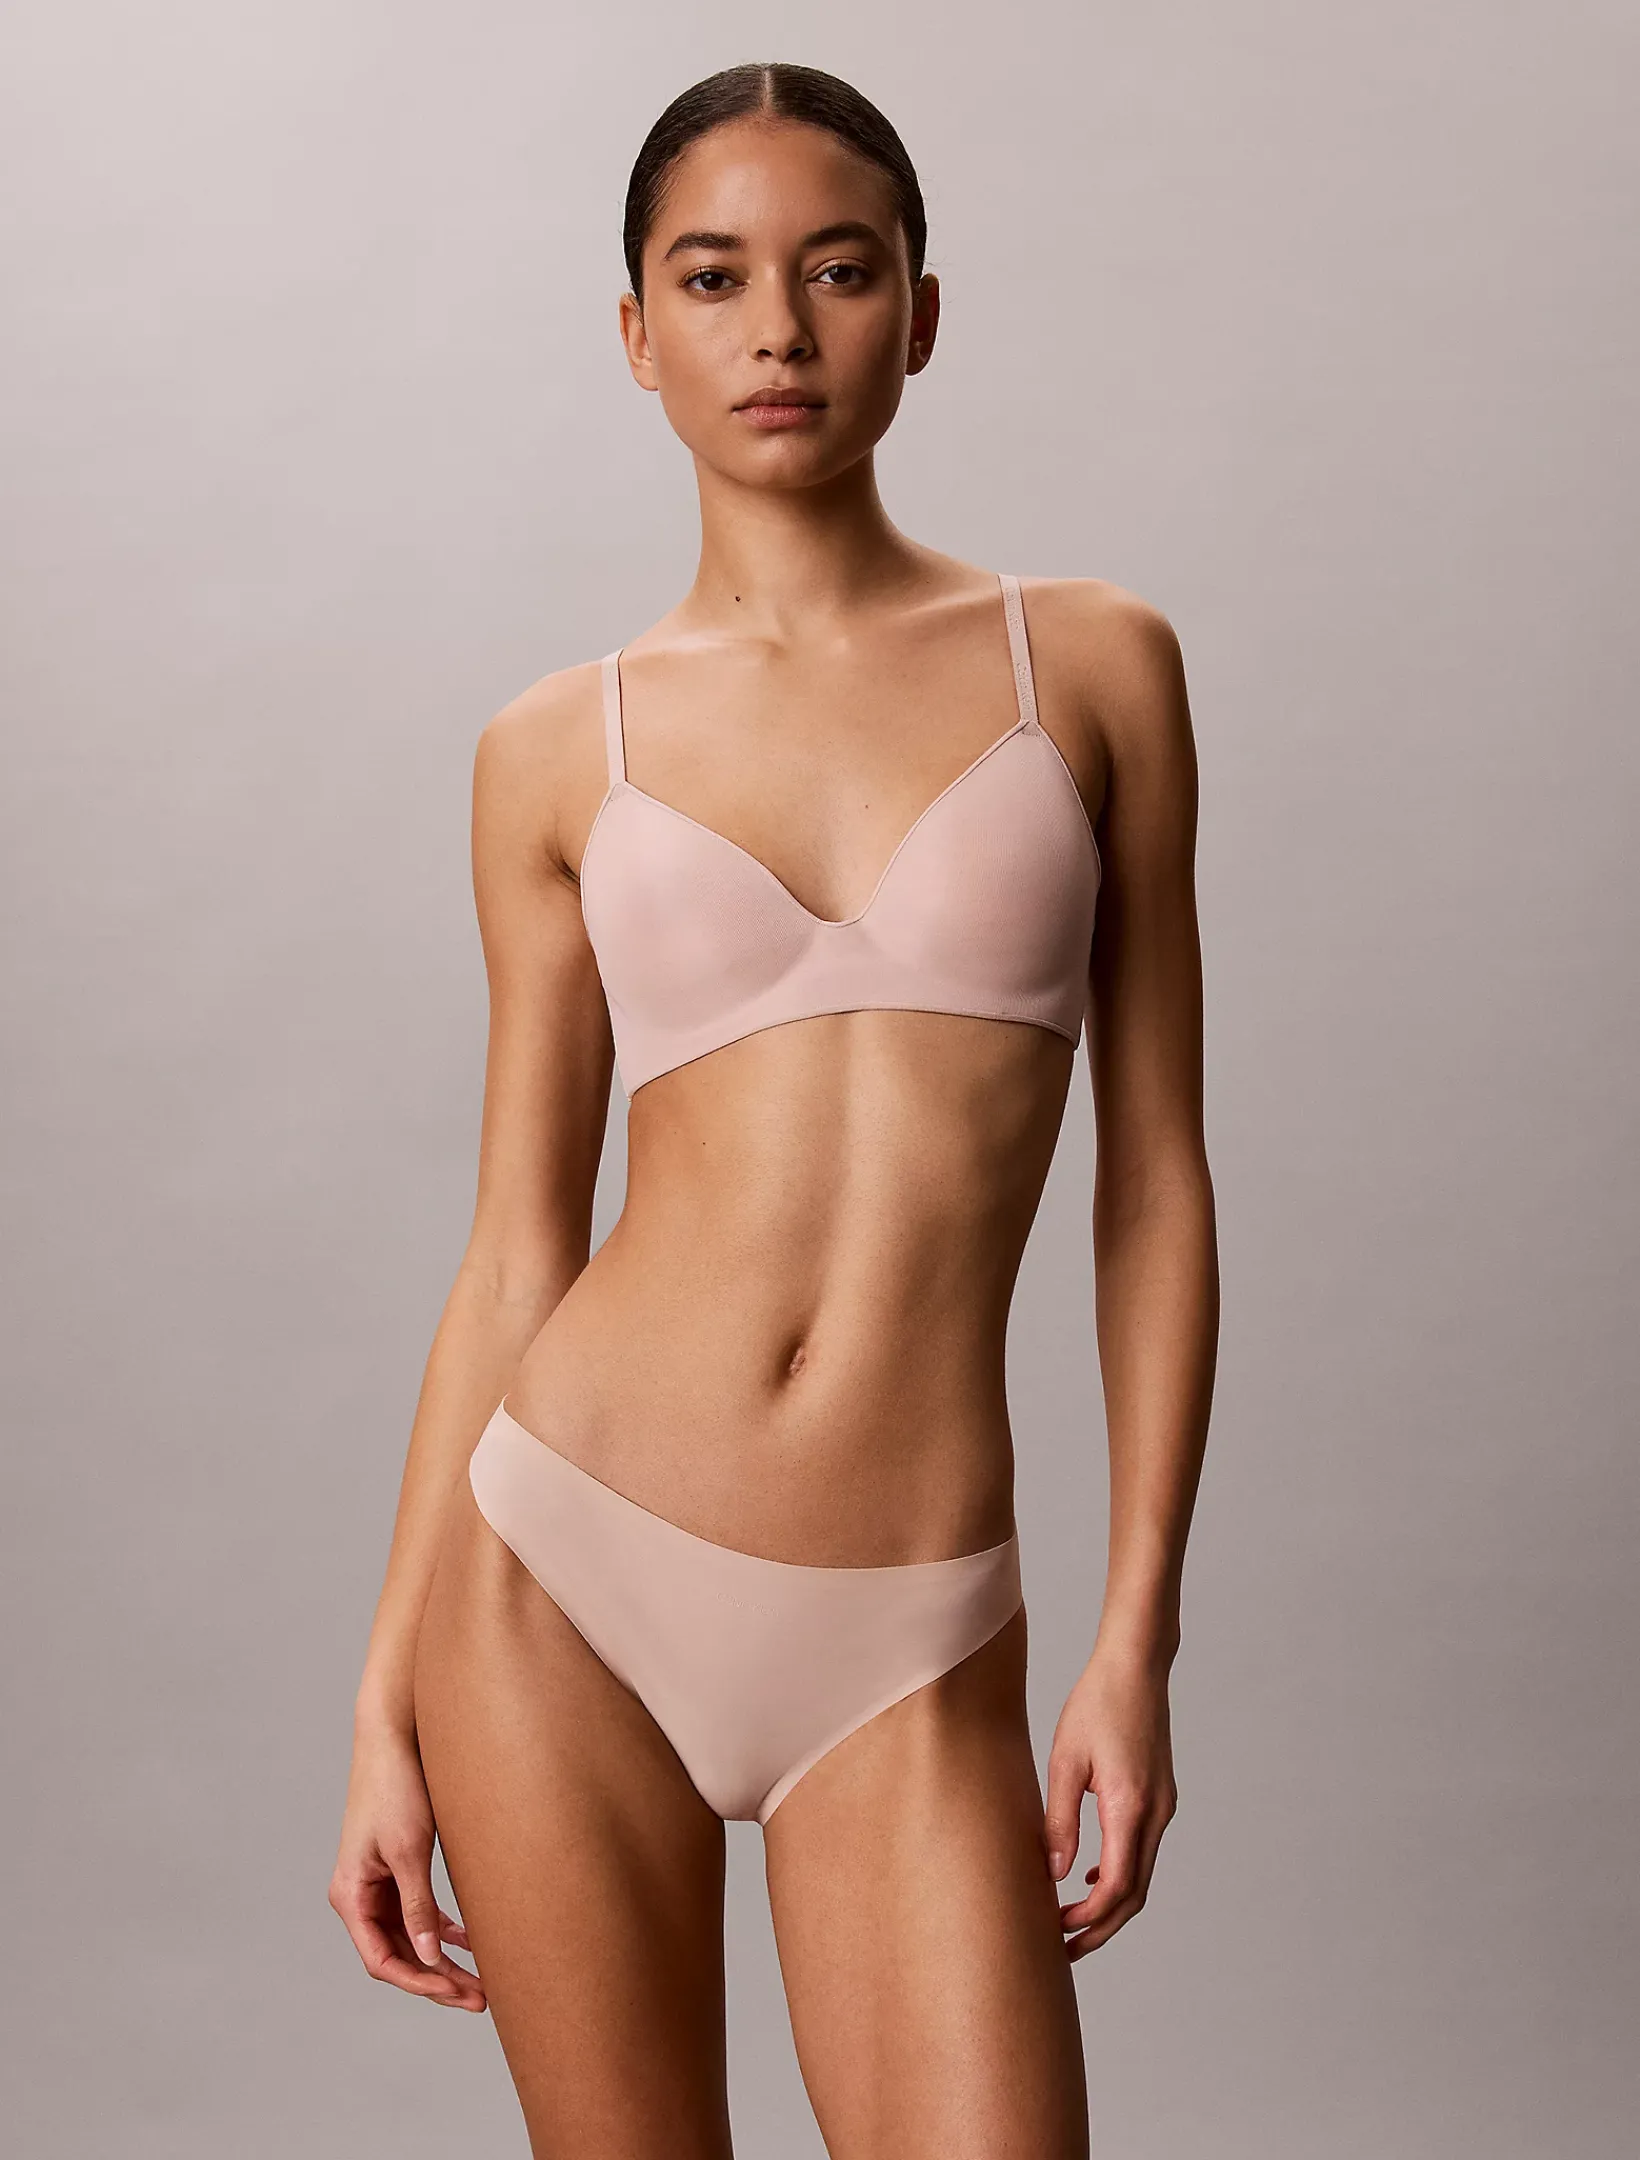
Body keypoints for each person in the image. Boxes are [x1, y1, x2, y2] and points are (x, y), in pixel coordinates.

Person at [329, 58, 1218, 2158]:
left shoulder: (1089, 669)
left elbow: (1156, 1184)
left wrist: (1135, 1639)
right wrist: (382, 1695)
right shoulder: (559, 749)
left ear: (921, 310)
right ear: (638, 335)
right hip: (559, 1574)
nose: (779, 332)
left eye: (838, 269)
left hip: (909, 1617)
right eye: (713, 279)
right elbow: (517, 1247)